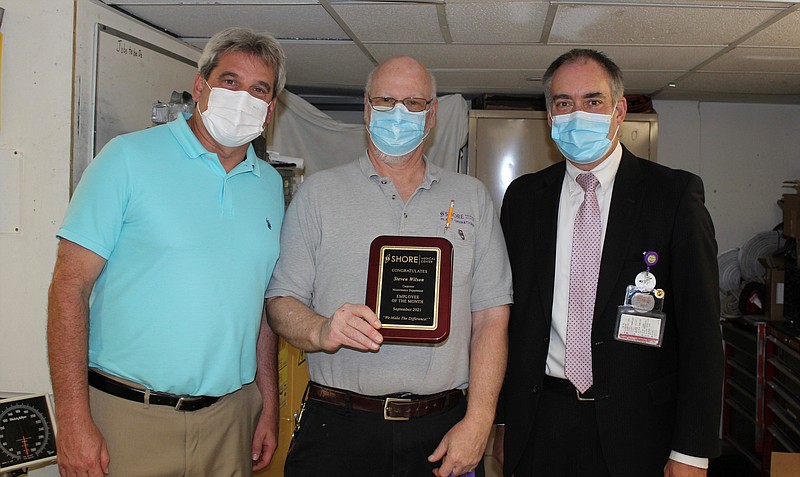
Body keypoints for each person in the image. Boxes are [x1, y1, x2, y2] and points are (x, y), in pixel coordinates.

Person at [47, 27, 286, 476]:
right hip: (127, 417)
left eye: (259, 90)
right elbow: (69, 288)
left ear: (270, 109)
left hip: (229, 421)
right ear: (201, 86)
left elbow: (261, 308)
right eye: (230, 81)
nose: (243, 98)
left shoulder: (270, 186)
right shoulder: (127, 159)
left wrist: (266, 406)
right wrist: (73, 419)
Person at [265, 55, 512, 477]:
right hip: (339, 424)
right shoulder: (319, 194)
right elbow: (280, 303)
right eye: (386, 100)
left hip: (444, 426)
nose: (399, 113)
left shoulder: (471, 197)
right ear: (366, 107)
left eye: (414, 103)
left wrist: (479, 419)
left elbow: (491, 318)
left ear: (432, 113)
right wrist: (321, 329)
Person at [494, 48, 723, 477]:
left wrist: (692, 450)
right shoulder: (524, 199)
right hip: (541, 420)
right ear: (549, 116)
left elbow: (702, 332)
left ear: (619, 111)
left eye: (592, 101)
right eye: (563, 103)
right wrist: (505, 419)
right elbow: (513, 319)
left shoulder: (672, 197)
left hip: (640, 429)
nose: (576, 114)